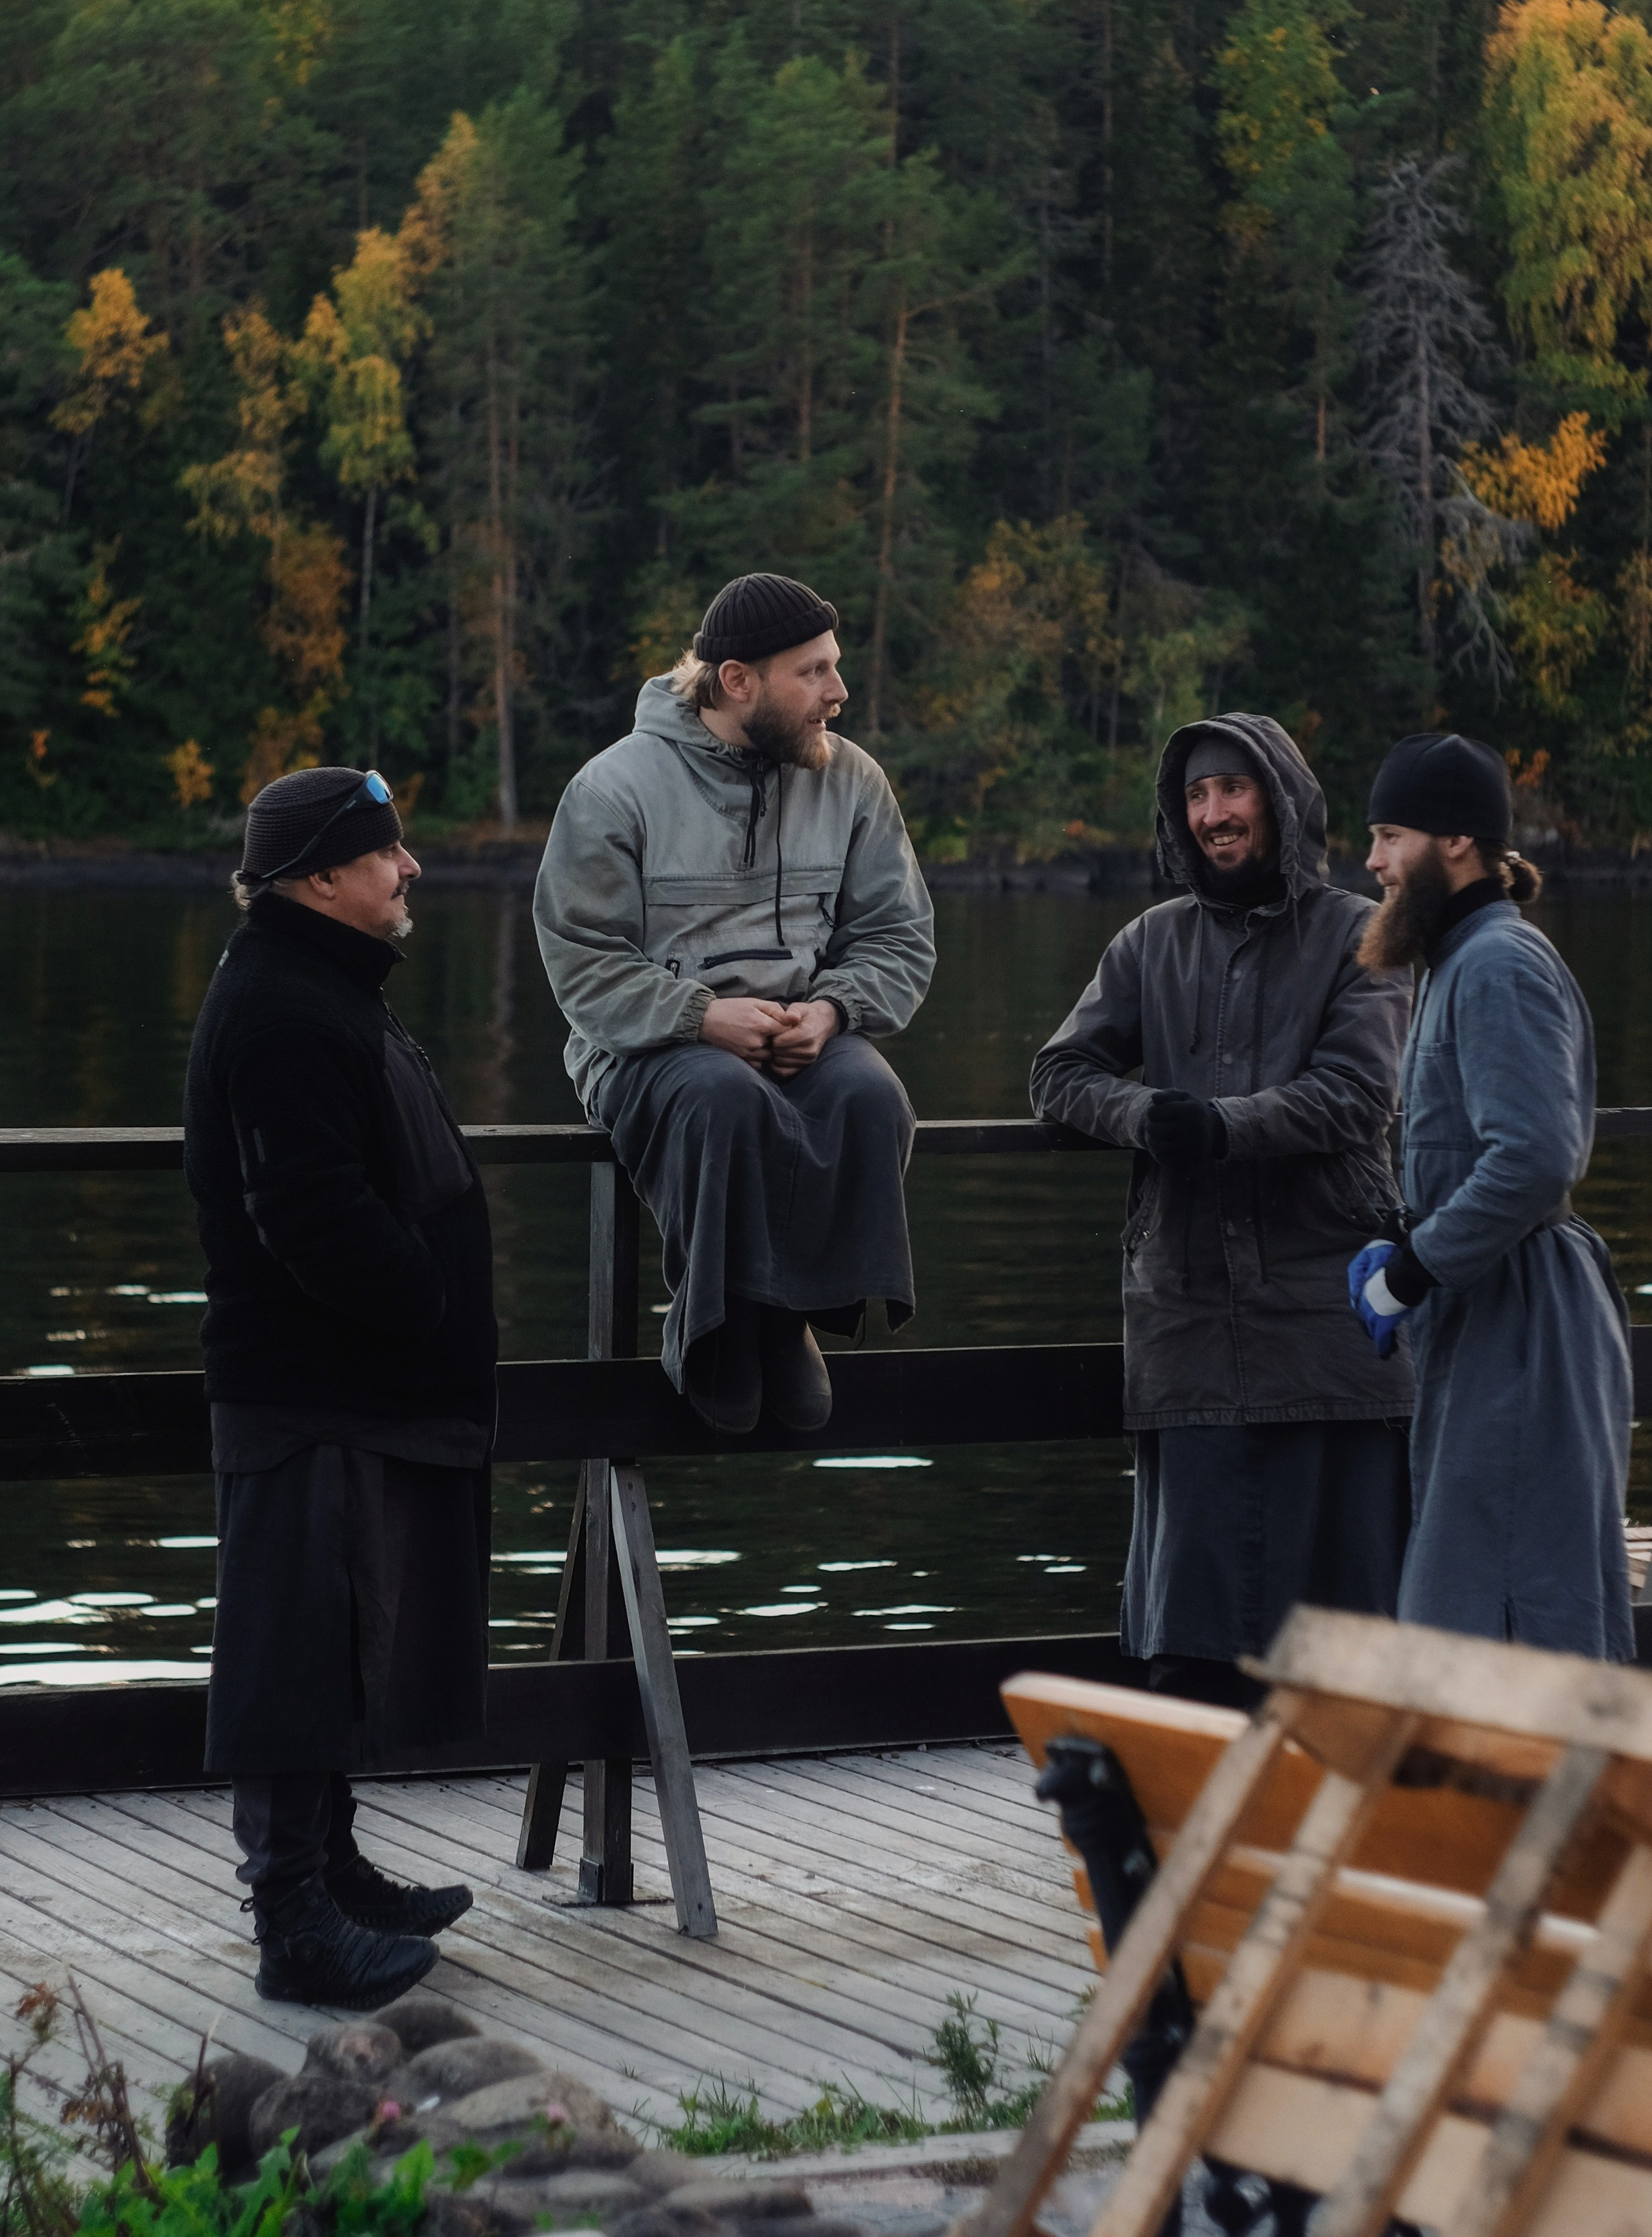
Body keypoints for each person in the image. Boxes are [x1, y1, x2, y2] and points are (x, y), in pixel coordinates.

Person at [184, 767, 497, 2009]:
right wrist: (423, 1300)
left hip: (351, 1391)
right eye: (386, 852)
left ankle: (334, 1868)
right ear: (320, 877)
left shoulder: (316, 984)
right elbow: (308, 1209)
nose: (409, 867)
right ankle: (293, 1920)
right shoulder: (277, 1006)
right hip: (306, 1387)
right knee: (294, 1644)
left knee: (339, 1637)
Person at [1030, 716, 1414, 1709]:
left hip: (1329, 1312)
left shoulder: (1360, 935)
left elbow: (1357, 1094)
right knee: (1190, 1633)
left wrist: (1224, 1126)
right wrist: (1146, 1115)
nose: (1213, 815)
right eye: (1197, 797)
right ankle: (1188, 1836)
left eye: (1233, 791)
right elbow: (1059, 1074)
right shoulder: (1149, 943)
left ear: (1280, 800)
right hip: (1187, 1313)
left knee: (1347, 1634)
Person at [534, 573, 936, 1435]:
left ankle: (785, 1316)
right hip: (648, 1046)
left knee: (873, 1098)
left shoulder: (852, 781)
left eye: (835, 667)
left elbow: (899, 939)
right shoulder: (611, 789)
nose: (839, 691)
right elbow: (582, 962)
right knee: (724, 1099)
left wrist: (829, 1012)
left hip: (804, 1028)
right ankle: (712, 1326)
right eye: (814, 671)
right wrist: (701, 1017)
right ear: (738, 681)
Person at [1349, 731, 1634, 1661]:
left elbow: (1537, 1156)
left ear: (1456, 842)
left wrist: (1413, 1271)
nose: (1374, 861)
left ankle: (1546, 1807)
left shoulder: (1499, 965)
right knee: (1468, 1599)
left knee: (1510, 1608)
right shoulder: (1456, 959)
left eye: (1390, 836)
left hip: (1525, 1323)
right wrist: (1405, 1240)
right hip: (1484, 1322)